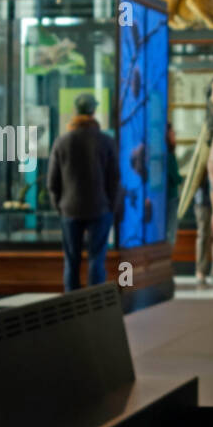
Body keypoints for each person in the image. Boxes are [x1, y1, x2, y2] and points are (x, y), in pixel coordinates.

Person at [47, 93, 119, 291]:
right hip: (100, 208)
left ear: (75, 111)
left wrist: (59, 207)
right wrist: (111, 207)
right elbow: (114, 179)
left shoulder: (62, 141)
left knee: (71, 261)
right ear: (94, 112)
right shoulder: (106, 141)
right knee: (97, 259)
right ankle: (94, 305)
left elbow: (52, 182)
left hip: (69, 209)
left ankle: (72, 305)